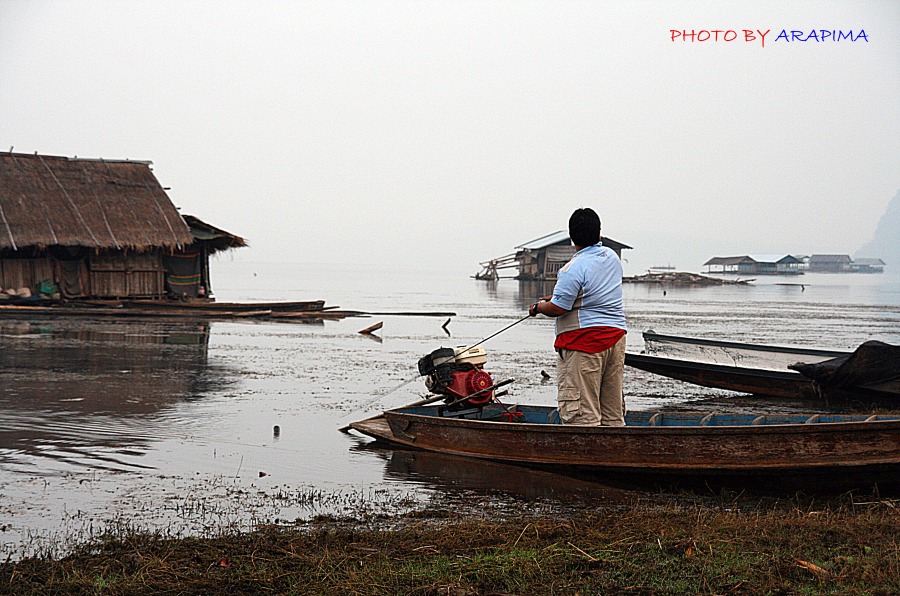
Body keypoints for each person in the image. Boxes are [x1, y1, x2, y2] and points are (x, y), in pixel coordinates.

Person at [528, 208, 627, 426]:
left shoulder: (572, 269)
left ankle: (586, 459)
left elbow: (559, 308)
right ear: (599, 234)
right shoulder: (611, 257)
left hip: (585, 343)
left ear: (572, 238)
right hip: (616, 340)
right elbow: (592, 292)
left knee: (582, 415)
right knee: (612, 414)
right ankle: (614, 456)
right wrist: (555, 297)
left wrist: (539, 307)